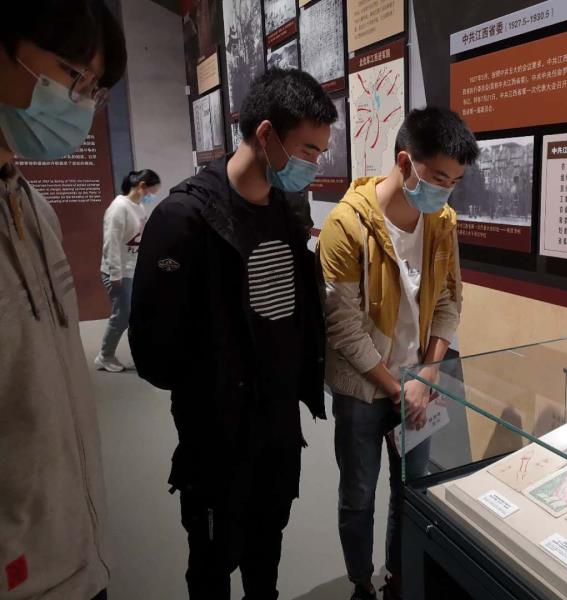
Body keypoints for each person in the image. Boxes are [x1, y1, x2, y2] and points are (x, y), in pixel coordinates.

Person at [129, 68, 335, 600]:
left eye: (320, 152)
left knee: (267, 551)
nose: (314, 164)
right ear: (266, 135)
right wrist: (217, 378)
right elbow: (154, 352)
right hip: (216, 433)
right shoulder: (184, 217)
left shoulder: (287, 209)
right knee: (212, 561)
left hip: (277, 424)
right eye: (308, 150)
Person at [317, 107, 479, 600]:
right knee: (359, 494)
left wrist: (426, 374)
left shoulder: (441, 223)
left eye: (454, 182)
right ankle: (360, 582)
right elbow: (343, 326)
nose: (444, 192)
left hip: (418, 384)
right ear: (406, 162)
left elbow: (449, 301)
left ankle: (399, 573)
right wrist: (396, 386)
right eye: (438, 178)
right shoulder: (346, 225)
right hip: (363, 385)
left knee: (412, 487)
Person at [0, 2, 126, 599]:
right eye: (73, 75)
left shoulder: (34, 207)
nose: (79, 103)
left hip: (75, 551)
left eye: (92, 90)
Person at [95, 169, 160, 372]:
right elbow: (111, 243)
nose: (152, 196)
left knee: (138, 314)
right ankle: (105, 355)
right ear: (142, 186)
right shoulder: (119, 207)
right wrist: (115, 273)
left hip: (133, 270)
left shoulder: (139, 207)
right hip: (119, 273)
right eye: (152, 191)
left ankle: (143, 354)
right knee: (122, 315)